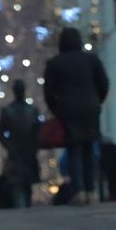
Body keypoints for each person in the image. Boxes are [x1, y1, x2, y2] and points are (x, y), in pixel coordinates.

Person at [44, 26, 108, 204]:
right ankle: (91, 189)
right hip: (90, 108)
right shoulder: (92, 60)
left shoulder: (55, 63)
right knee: (89, 148)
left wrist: (56, 108)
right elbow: (103, 83)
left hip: (68, 110)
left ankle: (79, 190)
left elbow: (49, 92)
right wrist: (97, 101)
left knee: (74, 149)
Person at [0, 77, 41, 208]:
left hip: (28, 153)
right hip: (16, 153)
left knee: (26, 185)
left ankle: (24, 207)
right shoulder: (8, 111)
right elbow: (0, 133)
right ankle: (21, 208)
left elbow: (37, 131)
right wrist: (9, 146)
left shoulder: (32, 110)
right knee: (17, 185)